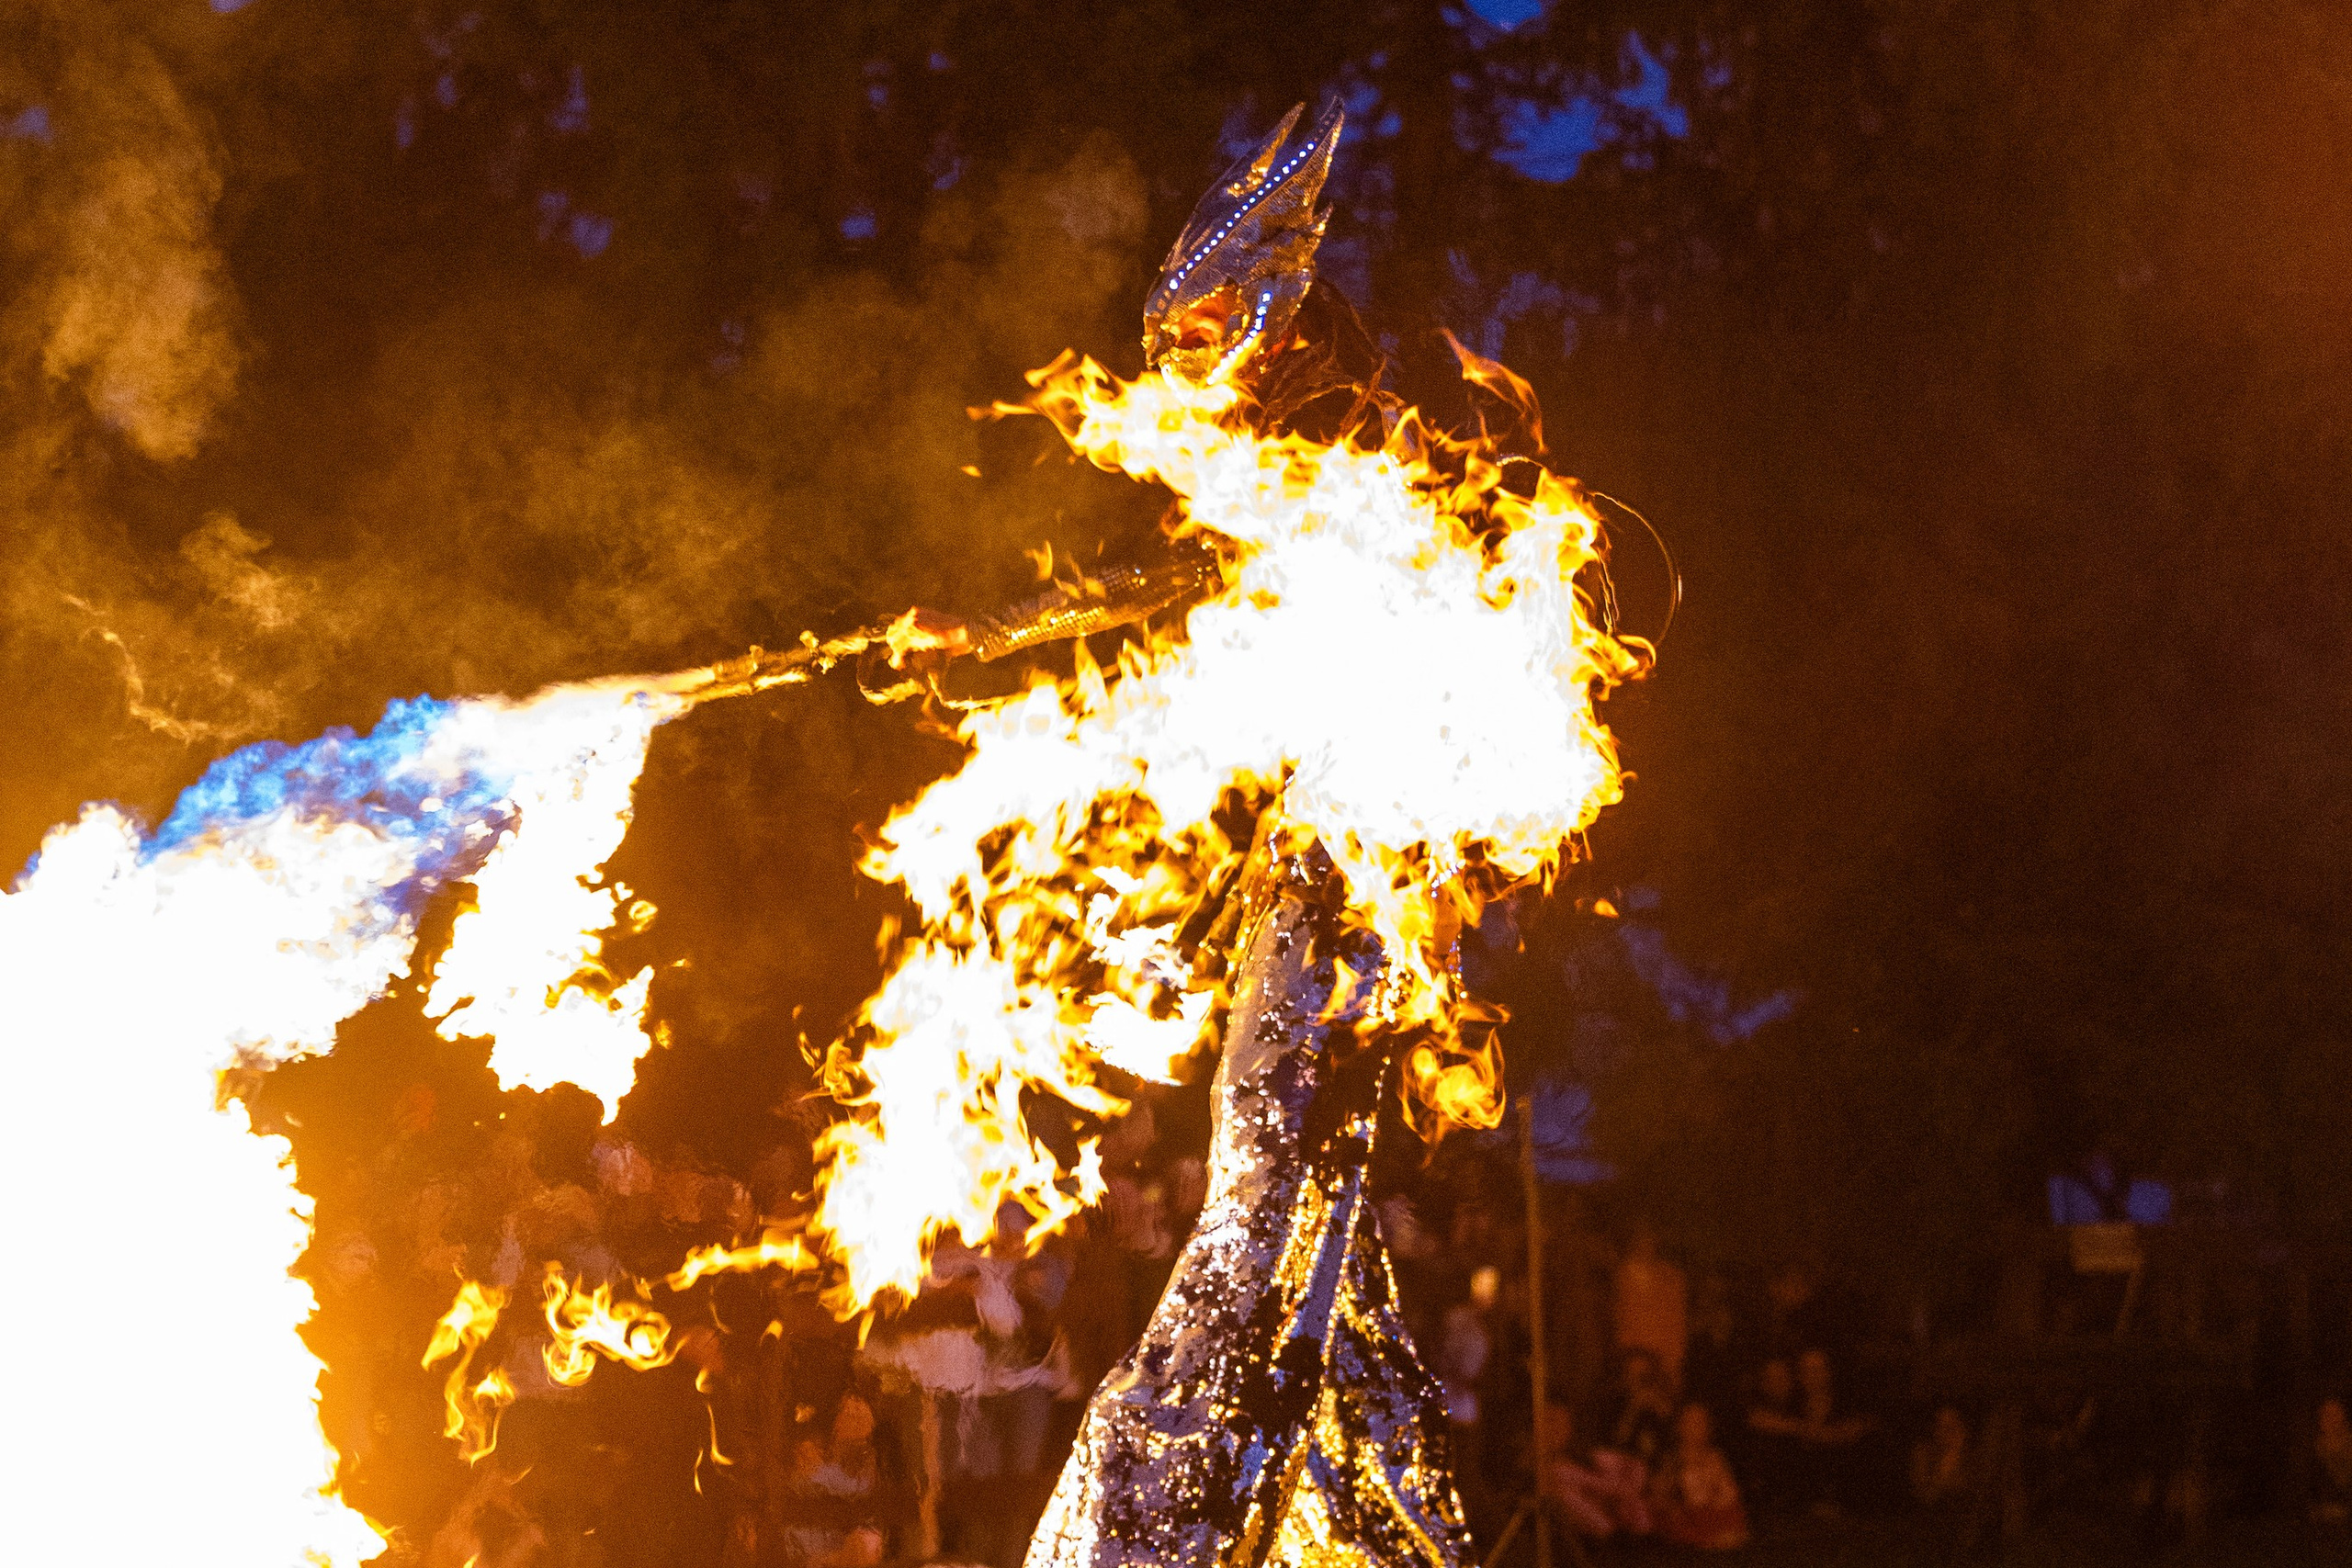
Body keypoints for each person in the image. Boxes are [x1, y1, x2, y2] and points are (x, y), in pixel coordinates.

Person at [1537, 1400, 1651, 1540]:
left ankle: (1638, 1537)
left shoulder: (1587, 1456)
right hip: (1596, 1530)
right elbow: (1573, 1478)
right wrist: (1614, 1489)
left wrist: (1622, 1490)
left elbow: (1635, 1466)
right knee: (1565, 1489)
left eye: (1564, 1423)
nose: (1558, 1429)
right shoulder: (1545, 1468)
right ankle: (1613, 1538)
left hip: (1616, 1508)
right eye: (1551, 1422)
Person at [1649, 1402, 1749, 1551]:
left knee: (1729, 1516)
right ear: (1680, 1427)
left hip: (1713, 1511)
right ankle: (1705, 1538)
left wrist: (1719, 1496)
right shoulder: (1673, 1459)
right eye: (1691, 1422)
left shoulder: (1715, 1457)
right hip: (1687, 1513)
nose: (1696, 1427)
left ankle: (1719, 1536)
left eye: (1701, 1422)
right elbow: (1660, 1492)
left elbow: (1729, 1491)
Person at [1611, 1222, 1689, 1390]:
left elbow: (1677, 1322)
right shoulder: (1623, 1275)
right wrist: (1630, 1358)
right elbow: (1622, 1319)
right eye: (1640, 1237)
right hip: (1636, 1360)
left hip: (1665, 1362)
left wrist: (1673, 1361)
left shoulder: (1671, 1278)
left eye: (1649, 1237)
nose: (1645, 1242)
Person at [2314, 1394, 2352, 1526]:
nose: (2331, 1420)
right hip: (2320, 1514)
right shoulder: (2315, 1447)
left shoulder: (2349, 1445)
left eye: (2335, 1415)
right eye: (2326, 1414)